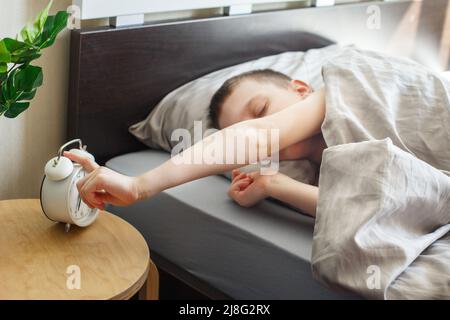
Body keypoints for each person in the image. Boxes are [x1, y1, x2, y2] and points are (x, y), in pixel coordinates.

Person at [65, 69, 327, 217]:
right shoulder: (329, 179)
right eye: (235, 132)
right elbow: (350, 211)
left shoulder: (345, 84)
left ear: (301, 90)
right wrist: (275, 184)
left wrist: (138, 185)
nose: (250, 133)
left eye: (259, 110)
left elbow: (258, 136)